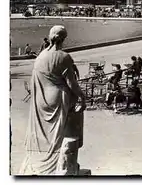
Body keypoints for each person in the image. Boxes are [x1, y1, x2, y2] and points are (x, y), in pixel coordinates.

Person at [19, 25, 86, 175]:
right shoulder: (63, 56)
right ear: (63, 38)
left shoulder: (41, 56)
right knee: (61, 131)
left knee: (45, 134)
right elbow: (72, 84)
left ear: (50, 37)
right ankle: (63, 163)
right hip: (57, 97)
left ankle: (43, 160)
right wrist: (82, 96)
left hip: (41, 99)